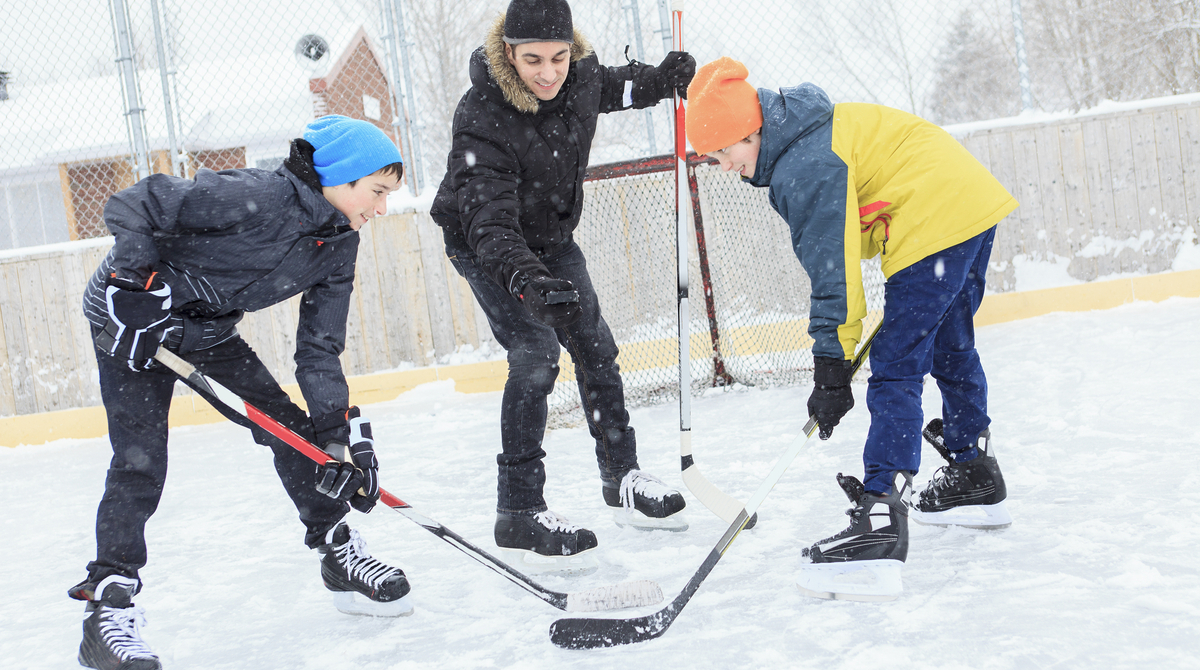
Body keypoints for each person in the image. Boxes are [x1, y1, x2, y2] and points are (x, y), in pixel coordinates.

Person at [71, 115, 411, 670]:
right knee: (140, 461)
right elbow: (136, 201)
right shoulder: (257, 195)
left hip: (206, 332)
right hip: (133, 320)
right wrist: (131, 286)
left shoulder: (338, 245)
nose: (382, 208)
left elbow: (319, 350)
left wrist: (338, 442)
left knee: (294, 435)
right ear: (341, 178)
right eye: (377, 192)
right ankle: (109, 605)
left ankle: (336, 546)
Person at [685, 57, 1017, 601]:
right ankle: (973, 469)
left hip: (932, 216)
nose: (721, 166)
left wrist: (831, 370)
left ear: (750, 132)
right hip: (970, 204)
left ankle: (880, 519)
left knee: (897, 360)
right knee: (949, 339)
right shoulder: (811, 137)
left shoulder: (804, 165)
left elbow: (833, 274)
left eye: (723, 152)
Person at [429, 0, 697, 573]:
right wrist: (526, 281)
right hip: (487, 242)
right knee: (535, 355)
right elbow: (488, 223)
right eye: (532, 60)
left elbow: (615, 88)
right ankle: (519, 510)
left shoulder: (578, 78)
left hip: (550, 235)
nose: (547, 73)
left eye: (558, 57)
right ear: (508, 54)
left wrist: (662, 80)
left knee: (596, 346)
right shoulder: (481, 115)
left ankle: (621, 478)